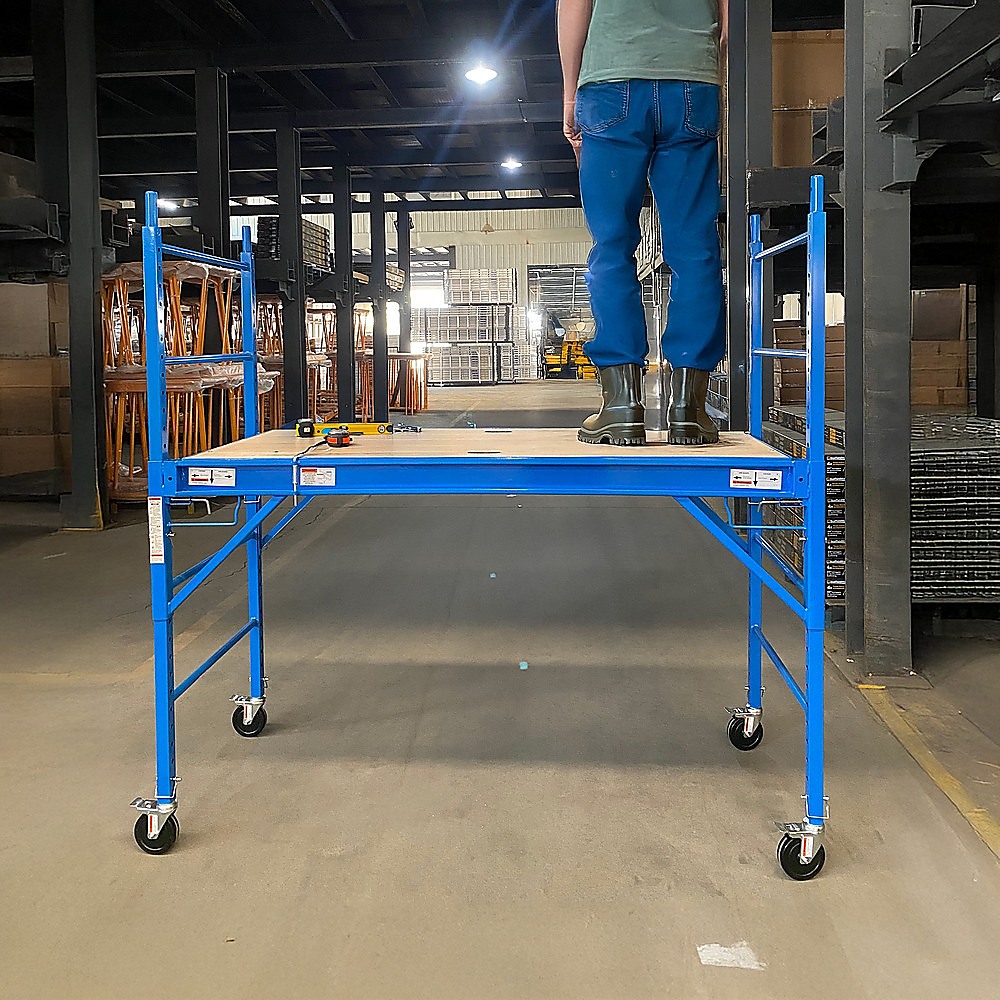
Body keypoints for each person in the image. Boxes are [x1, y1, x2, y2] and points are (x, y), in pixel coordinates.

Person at [558, 0, 728, 446]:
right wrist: (710, 65)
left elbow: (573, 6)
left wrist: (570, 93)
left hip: (611, 79)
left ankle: (621, 406)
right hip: (692, 80)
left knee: (612, 246)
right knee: (694, 248)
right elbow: (729, 19)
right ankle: (689, 409)